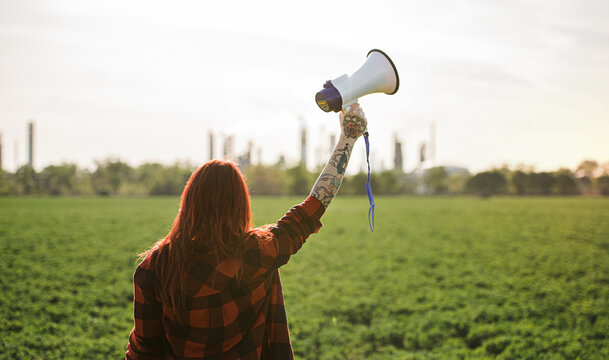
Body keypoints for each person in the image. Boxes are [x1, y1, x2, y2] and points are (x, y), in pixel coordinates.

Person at [126, 104, 368, 359]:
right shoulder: (257, 253)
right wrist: (348, 138)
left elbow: (143, 350)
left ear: (189, 203)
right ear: (240, 205)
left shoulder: (154, 267)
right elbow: (315, 205)